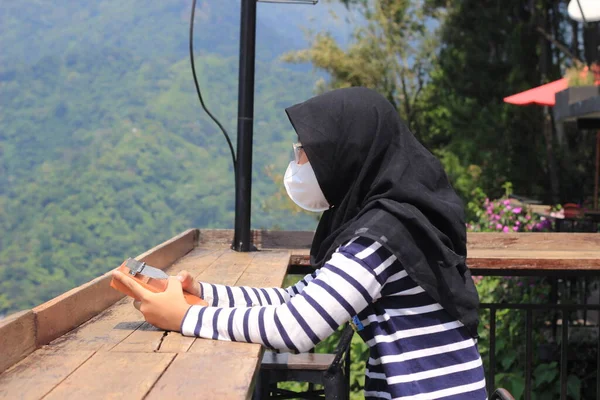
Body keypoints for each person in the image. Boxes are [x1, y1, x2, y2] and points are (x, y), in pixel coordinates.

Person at [113, 87, 486, 399]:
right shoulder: (385, 221)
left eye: (307, 150)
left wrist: (185, 317)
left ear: (348, 153)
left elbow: (297, 327)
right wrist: (201, 292)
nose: (299, 160)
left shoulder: (383, 235)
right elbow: (296, 298)